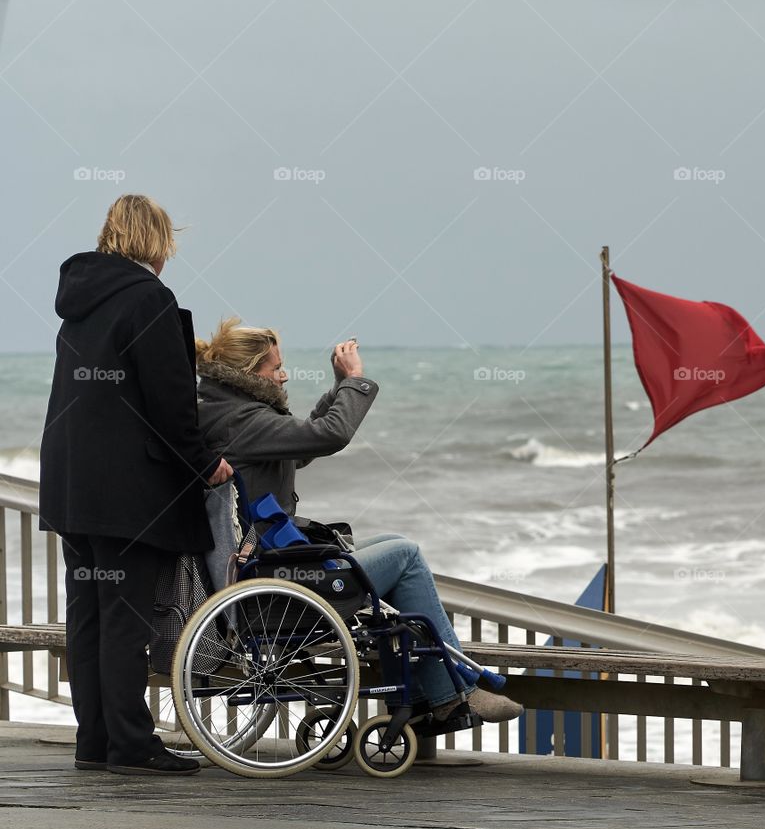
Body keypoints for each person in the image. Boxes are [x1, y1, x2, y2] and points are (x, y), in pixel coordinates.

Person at [195, 318, 523, 723]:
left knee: (393, 541)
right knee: (404, 554)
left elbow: (299, 446)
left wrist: (337, 389)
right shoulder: (241, 421)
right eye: (275, 367)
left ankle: (430, 698)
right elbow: (329, 435)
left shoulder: (227, 412)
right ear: (250, 374)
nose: (283, 375)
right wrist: (354, 379)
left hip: (266, 565)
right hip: (276, 579)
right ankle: (451, 696)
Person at [39, 195, 233, 777]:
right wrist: (205, 465)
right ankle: (130, 744)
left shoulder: (79, 302)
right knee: (125, 619)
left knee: (91, 617)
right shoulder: (149, 298)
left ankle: (94, 742)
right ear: (156, 242)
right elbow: (170, 404)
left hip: (72, 485)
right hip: (127, 492)